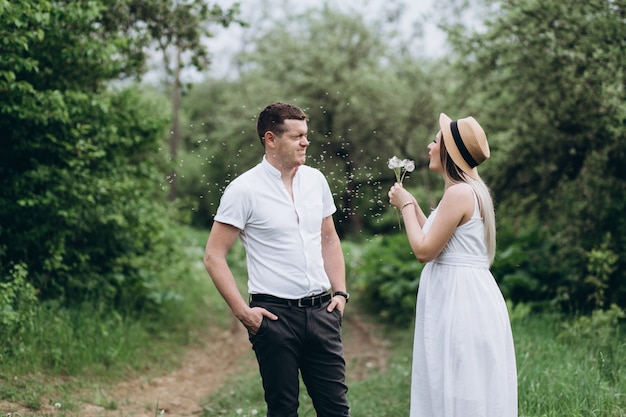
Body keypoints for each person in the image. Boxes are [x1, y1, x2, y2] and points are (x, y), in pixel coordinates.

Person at [203, 102, 351, 417]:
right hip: (274, 318)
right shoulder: (243, 190)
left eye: (306, 135)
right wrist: (244, 313)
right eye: (297, 136)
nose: (306, 142)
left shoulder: (317, 181)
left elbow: (329, 238)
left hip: (323, 312)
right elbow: (213, 256)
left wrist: (340, 292)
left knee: (336, 410)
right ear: (271, 139)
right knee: (283, 410)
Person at [388, 113, 518, 416]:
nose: (430, 146)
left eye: (436, 141)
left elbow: (424, 250)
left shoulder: (458, 193)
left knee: (458, 378)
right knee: (461, 377)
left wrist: (406, 205)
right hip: (467, 292)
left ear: (449, 152)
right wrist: (415, 207)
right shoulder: (469, 190)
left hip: (459, 299)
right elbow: (438, 237)